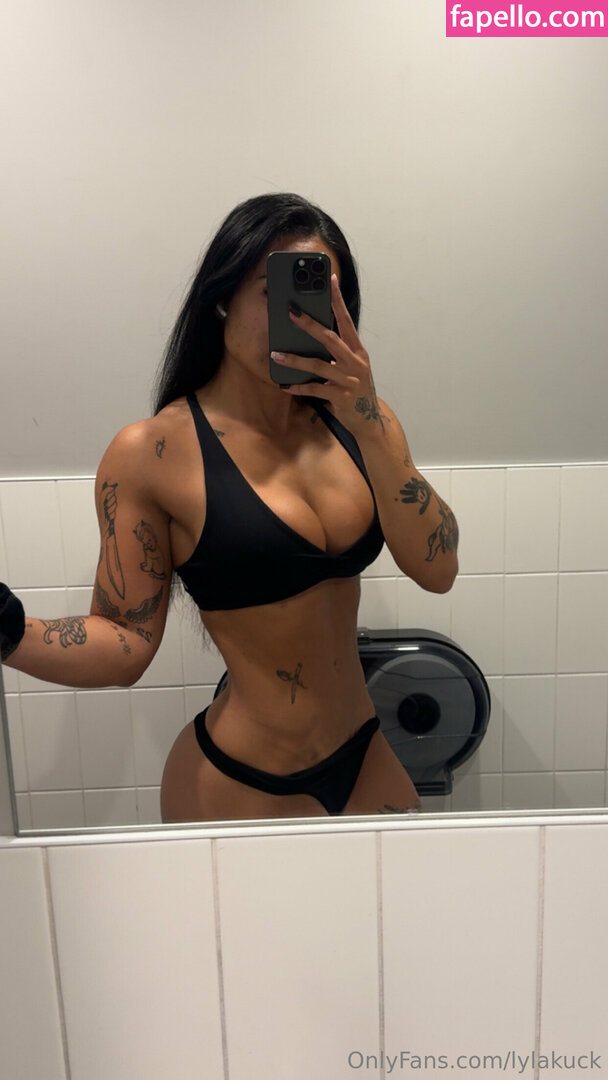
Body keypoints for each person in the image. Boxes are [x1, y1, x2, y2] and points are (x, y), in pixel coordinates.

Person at [0, 193, 459, 823]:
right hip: (239, 779)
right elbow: (125, 639)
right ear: (220, 299)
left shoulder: (362, 424)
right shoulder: (152, 453)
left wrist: (369, 422)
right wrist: (10, 630)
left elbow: (438, 570)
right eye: (276, 292)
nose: (298, 317)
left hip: (365, 755)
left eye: (317, 297)